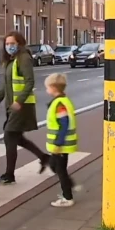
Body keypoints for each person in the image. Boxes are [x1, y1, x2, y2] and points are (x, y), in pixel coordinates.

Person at [0, 31, 50, 184]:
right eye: (7, 44)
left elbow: (30, 82)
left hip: (21, 106)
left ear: (20, 43)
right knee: (18, 138)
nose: (9, 46)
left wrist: (19, 101)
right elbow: (6, 85)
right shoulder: (11, 60)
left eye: (12, 43)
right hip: (13, 106)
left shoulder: (24, 58)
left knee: (9, 136)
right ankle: (44, 157)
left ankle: (9, 174)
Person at [44, 73, 79, 207]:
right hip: (60, 144)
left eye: (47, 87)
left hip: (61, 145)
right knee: (55, 166)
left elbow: (63, 124)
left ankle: (67, 197)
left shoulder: (59, 104)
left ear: (53, 87)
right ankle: (69, 186)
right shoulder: (62, 100)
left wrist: (58, 143)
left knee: (60, 169)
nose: (47, 90)